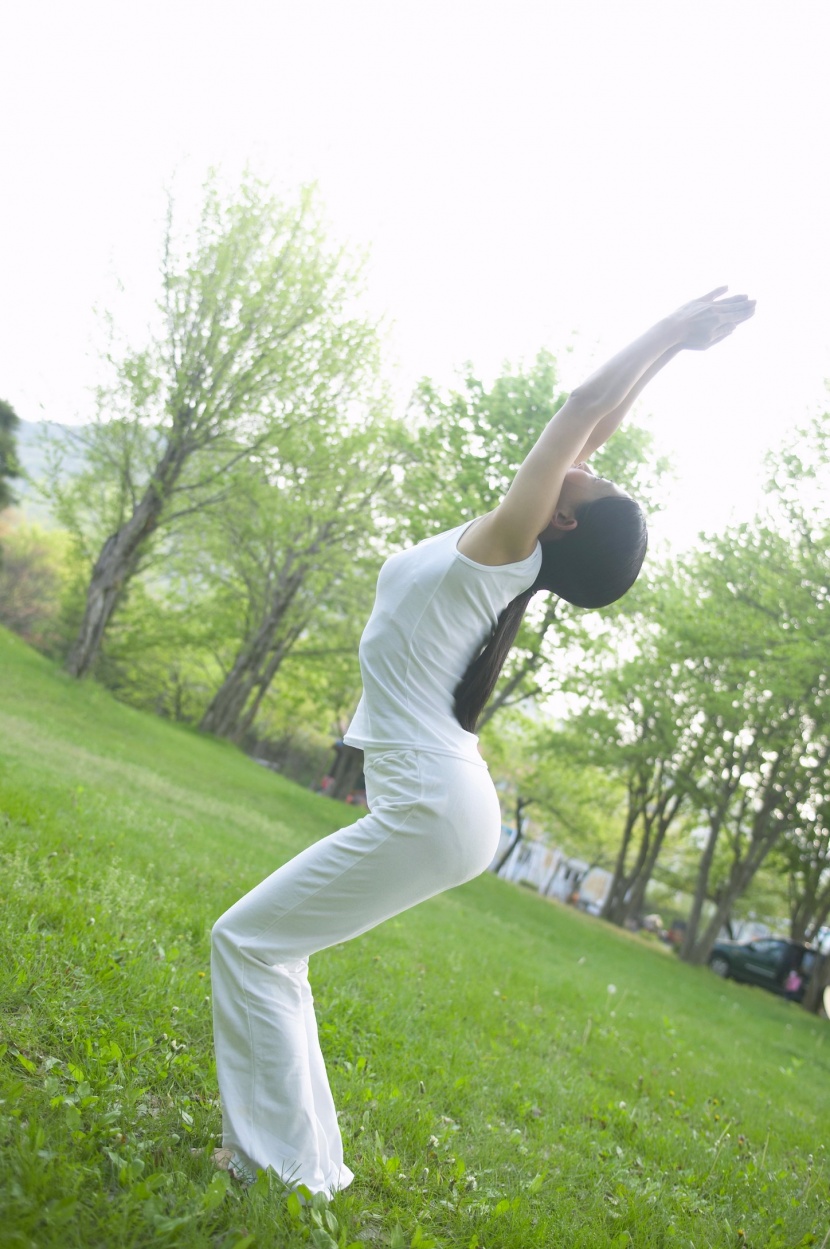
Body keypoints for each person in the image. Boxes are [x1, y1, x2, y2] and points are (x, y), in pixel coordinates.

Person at [210, 287, 755, 1195]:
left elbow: (581, 411)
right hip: (439, 803)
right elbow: (598, 428)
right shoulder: (515, 546)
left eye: (595, 477)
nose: (587, 462)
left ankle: (277, 1165)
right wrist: (677, 357)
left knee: (249, 941)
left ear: (567, 518)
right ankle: (297, 1163)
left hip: (433, 805)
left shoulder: (509, 544)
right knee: (269, 947)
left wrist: (667, 325)